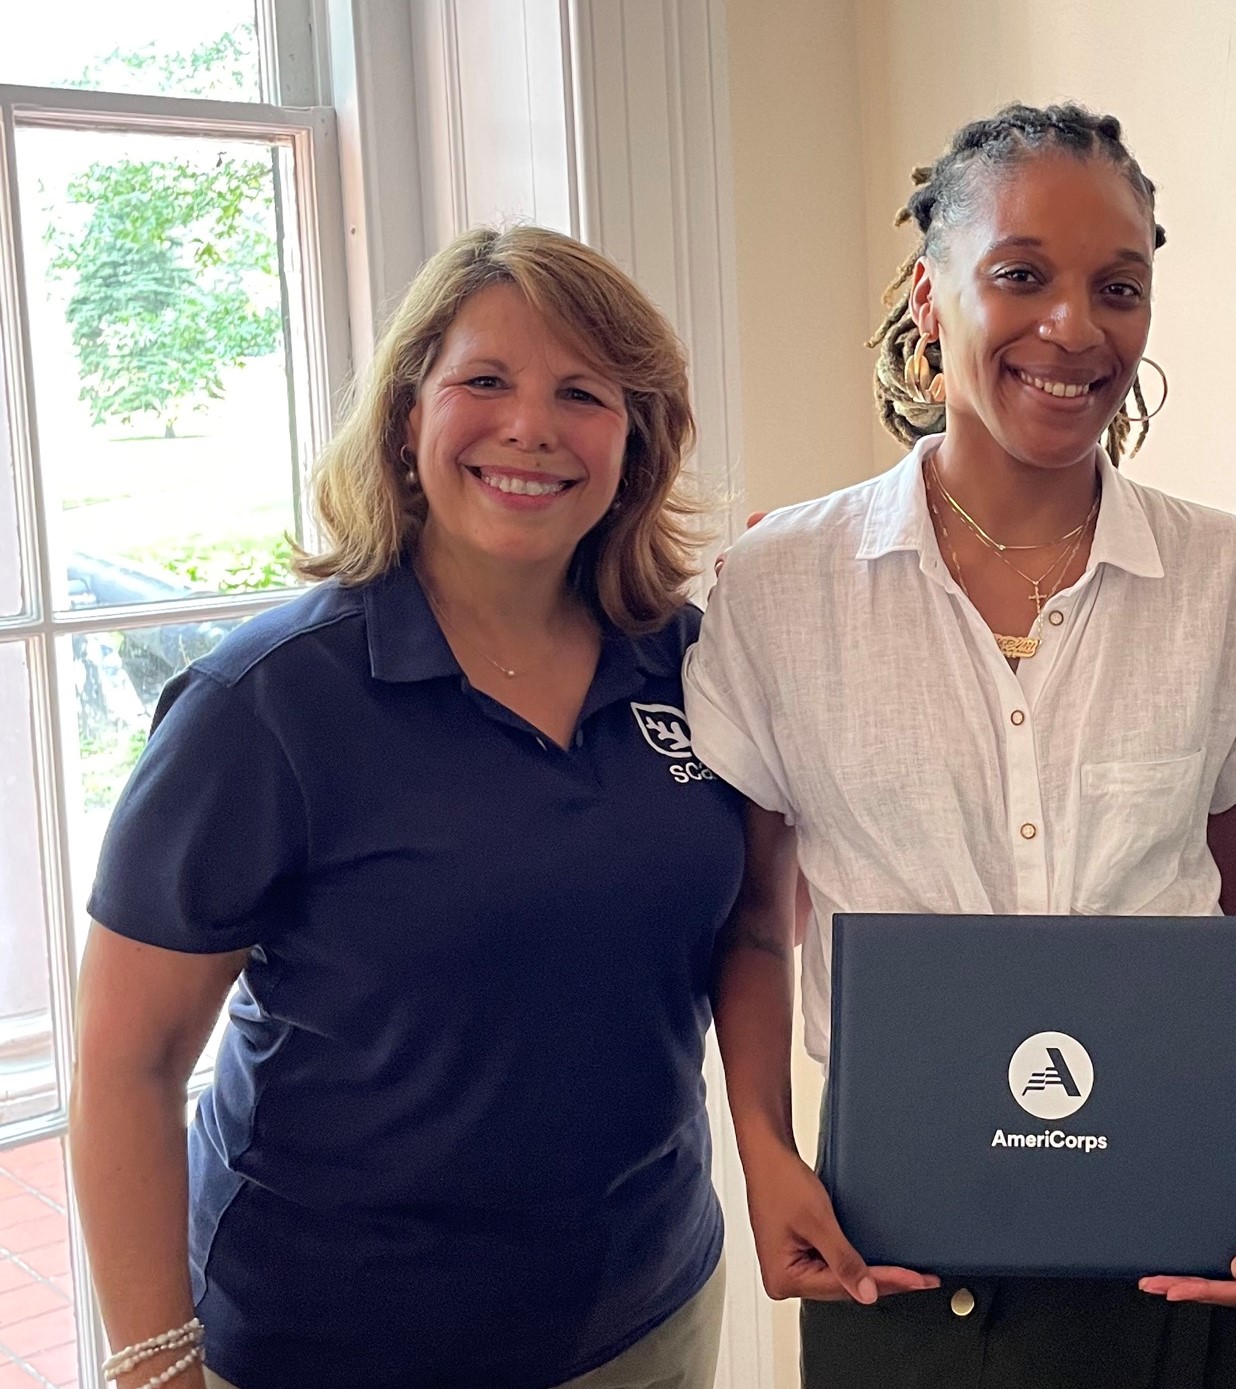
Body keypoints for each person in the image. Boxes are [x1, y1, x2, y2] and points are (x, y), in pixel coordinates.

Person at [684, 103, 1236, 1388]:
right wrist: (764, 1151)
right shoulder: (778, 584)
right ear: (933, 299)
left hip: (1182, 1247)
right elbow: (758, 923)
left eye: (1120, 287)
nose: (1075, 328)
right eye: (1021, 276)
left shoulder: (1225, 575)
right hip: (900, 1255)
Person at [71, 226, 741, 1389]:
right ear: (404, 415)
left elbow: (751, 931)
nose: (530, 426)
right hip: (335, 1342)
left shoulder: (690, 663)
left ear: (634, 442)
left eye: (582, 392)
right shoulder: (266, 704)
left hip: (648, 1313)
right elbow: (127, 1061)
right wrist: (153, 1366)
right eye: (485, 381)